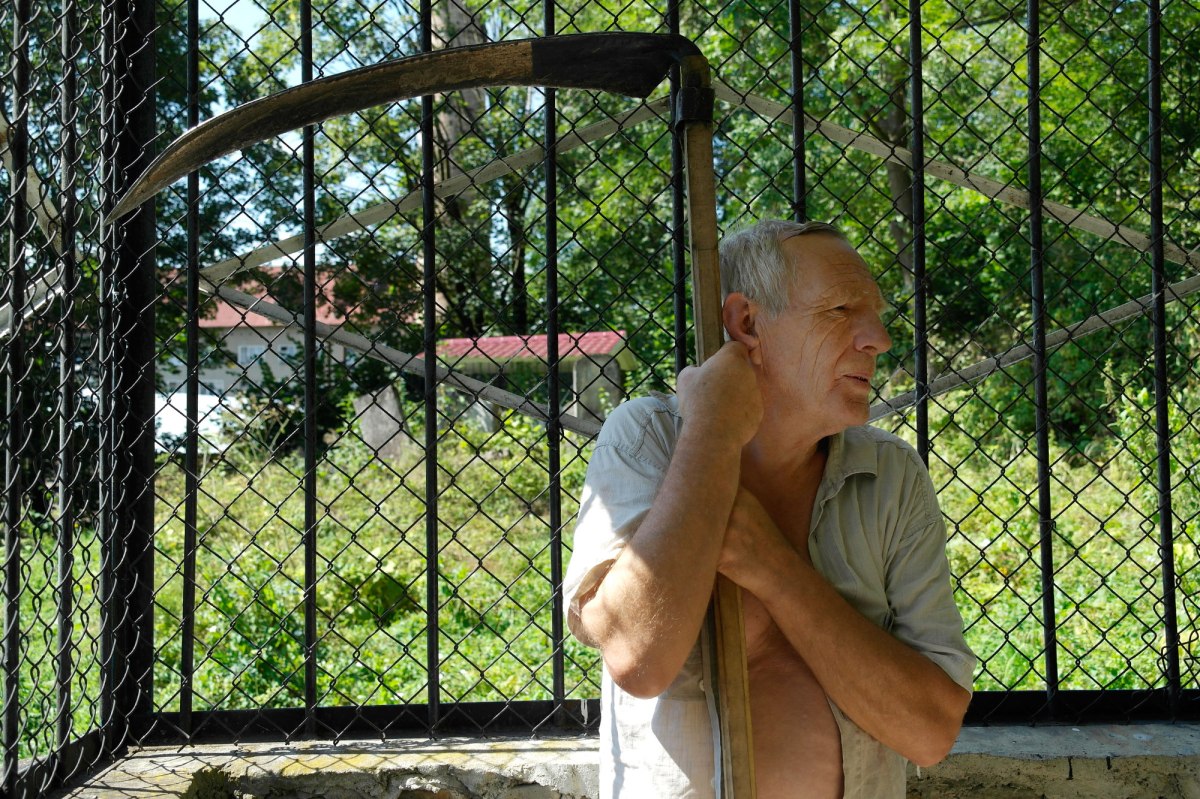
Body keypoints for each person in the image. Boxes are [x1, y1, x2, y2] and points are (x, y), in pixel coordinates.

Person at [562, 219, 976, 799]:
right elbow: (637, 658)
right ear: (748, 324)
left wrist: (771, 566)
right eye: (840, 310)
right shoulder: (649, 437)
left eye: (877, 315)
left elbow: (929, 733)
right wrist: (710, 430)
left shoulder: (891, 474)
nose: (879, 339)